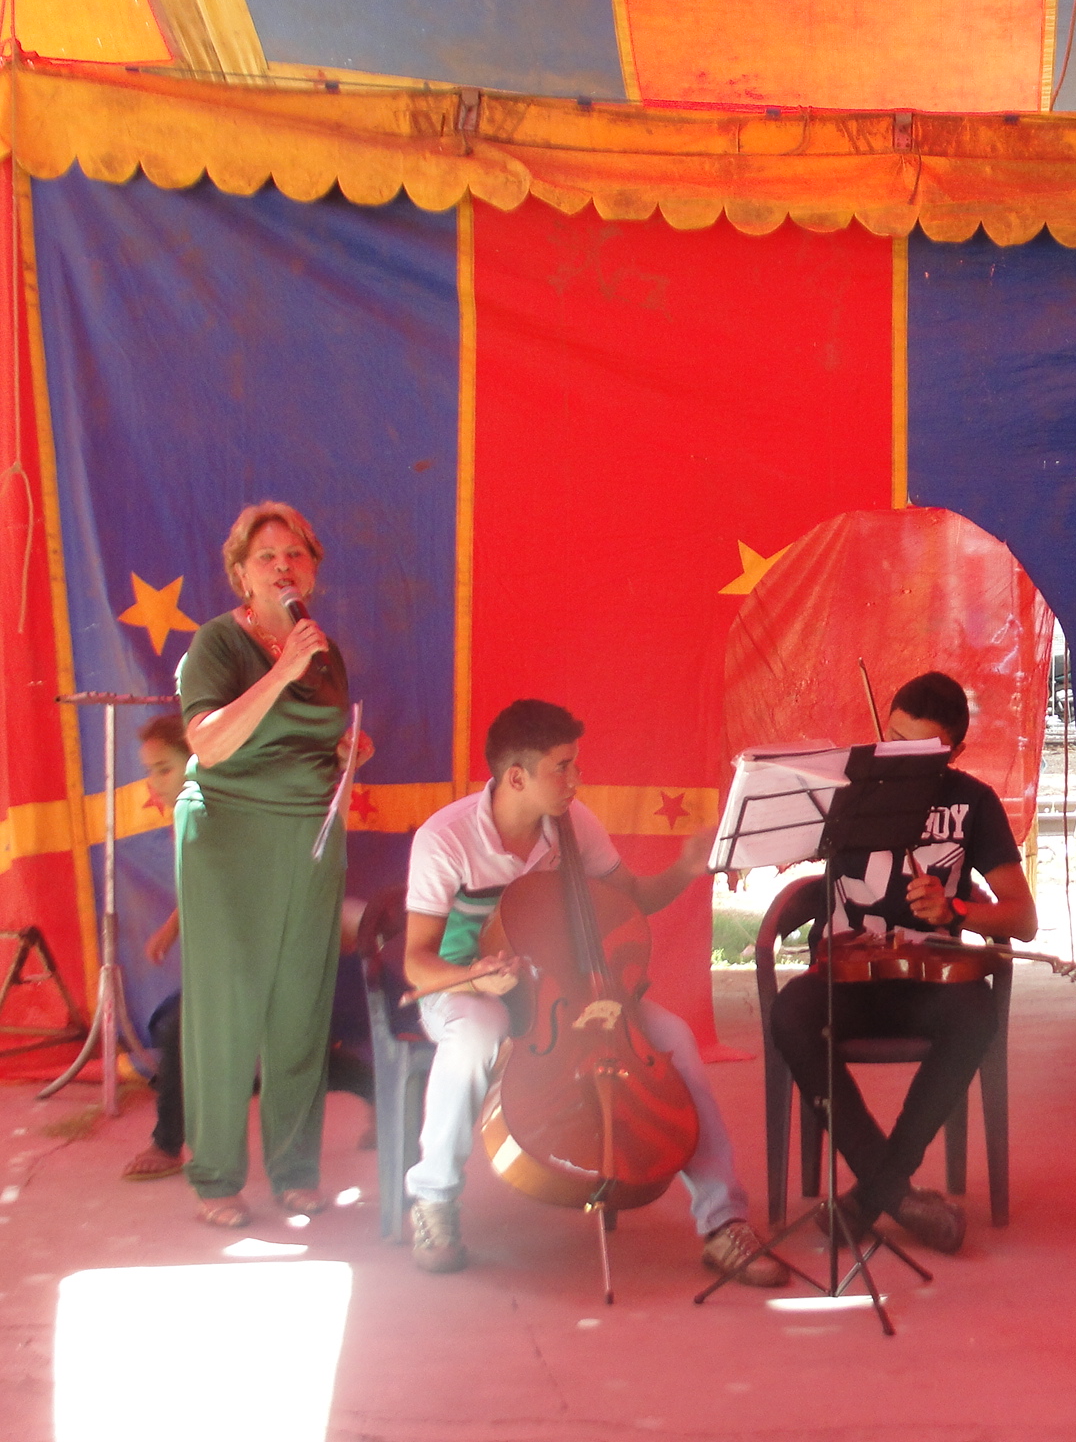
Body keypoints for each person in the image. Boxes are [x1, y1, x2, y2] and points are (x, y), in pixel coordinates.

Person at [403, 699, 785, 1283]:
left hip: (566, 986)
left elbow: (632, 900)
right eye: (562, 767)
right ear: (516, 778)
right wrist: (476, 977)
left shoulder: (574, 824)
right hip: (467, 986)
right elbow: (417, 963)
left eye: (575, 764)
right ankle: (433, 1200)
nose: (576, 780)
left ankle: (722, 1220)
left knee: (674, 1039)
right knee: (476, 1032)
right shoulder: (447, 839)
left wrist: (686, 868)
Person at [767, 672, 1037, 1256]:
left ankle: (869, 1198)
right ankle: (894, 1192)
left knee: (975, 1016)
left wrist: (957, 908)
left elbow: (1023, 919)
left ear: (954, 751)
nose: (897, 755)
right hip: (845, 974)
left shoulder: (974, 802)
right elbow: (781, 841)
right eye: (892, 738)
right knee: (790, 1014)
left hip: (927, 979)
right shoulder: (846, 787)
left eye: (920, 749)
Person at [176, 502, 369, 1228]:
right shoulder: (218, 643)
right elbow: (209, 743)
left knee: (300, 1008)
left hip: (309, 837)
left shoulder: (324, 648)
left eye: (296, 554)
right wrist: (283, 669)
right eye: (267, 556)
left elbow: (310, 738)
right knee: (227, 1011)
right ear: (241, 573)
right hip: (229, 836)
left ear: (312, 571)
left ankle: (294, 1172)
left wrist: (347, 751)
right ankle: (216, 1177)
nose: (283, 566)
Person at [121, 714, 376, 1182]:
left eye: (163, 768)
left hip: (271, 951)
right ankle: (376, 1090)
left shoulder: (233, 815)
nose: (153, 782)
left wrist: (342, 763)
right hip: (238, 960)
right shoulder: (186, 815)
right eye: (149, 770)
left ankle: (167, 1143)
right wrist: (172, 929)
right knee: (275, 1047)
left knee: (199, 1033)